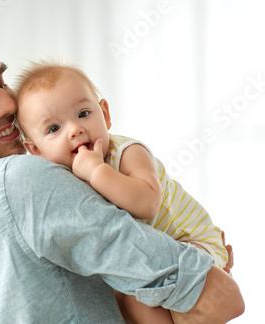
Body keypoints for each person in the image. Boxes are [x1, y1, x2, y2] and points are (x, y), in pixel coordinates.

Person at [0, 23, 244, 323]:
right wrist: (205, 270)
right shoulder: (20, 180)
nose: (8, 104)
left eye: (1, 83)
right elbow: (223, 300)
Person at [14, 61, 234, 323]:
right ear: (35, 150)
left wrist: (97, 171)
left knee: (142, 295)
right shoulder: (59, 179)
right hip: (153, 259)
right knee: (129, 301)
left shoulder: (127, 153)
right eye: (54, 128)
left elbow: (147, 203)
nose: (75, 129)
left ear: (105, 113)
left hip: (192, 244)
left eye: (83, 113)